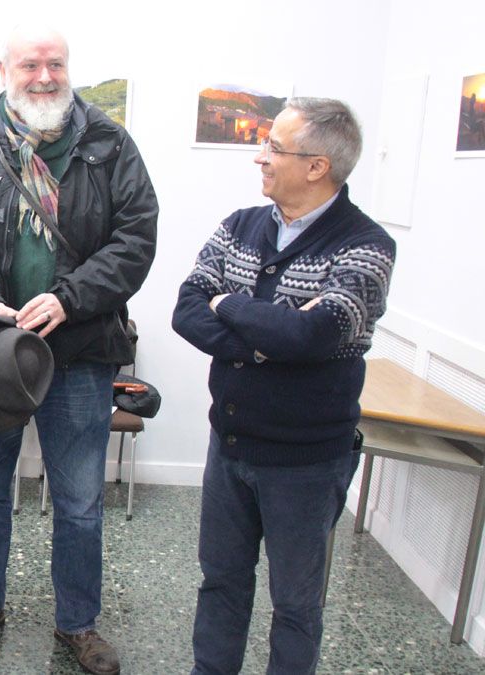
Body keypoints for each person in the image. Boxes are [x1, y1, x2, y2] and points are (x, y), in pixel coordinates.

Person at [0, 25, 157, 675]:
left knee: (79, 499)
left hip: (79, 350)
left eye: (55, 63)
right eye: (31, 64)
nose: (44, 75)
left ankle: (78, 622)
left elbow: (135, 239)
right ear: (5, 70)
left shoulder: (110, 145)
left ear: (68, 67)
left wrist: (70, 296)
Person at [171, 97, 396, 674]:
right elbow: (187, 307)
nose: (260, 157)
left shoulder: (367, 246)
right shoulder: (240, 225)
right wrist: (263, 331)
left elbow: (315, 335)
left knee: (296, 605)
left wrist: (231, 304)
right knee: (220, 582)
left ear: (317, 166)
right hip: (231, 446)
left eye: (273, 147)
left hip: (306, 463)